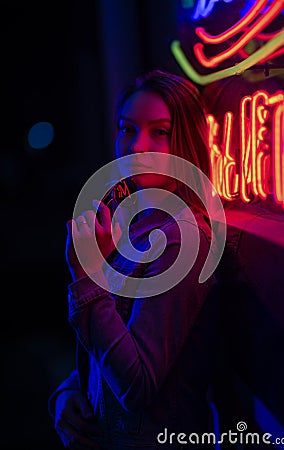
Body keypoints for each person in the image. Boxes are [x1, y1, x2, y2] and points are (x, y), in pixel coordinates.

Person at [48, 69, 222, 449]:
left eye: (159, 131)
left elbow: (136, 387)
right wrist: (68, 394)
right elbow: (106, 345)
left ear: (185, 140)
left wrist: (89, 274)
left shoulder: (183, 240)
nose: (136, 145)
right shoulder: (134, 226)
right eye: (128, 128)